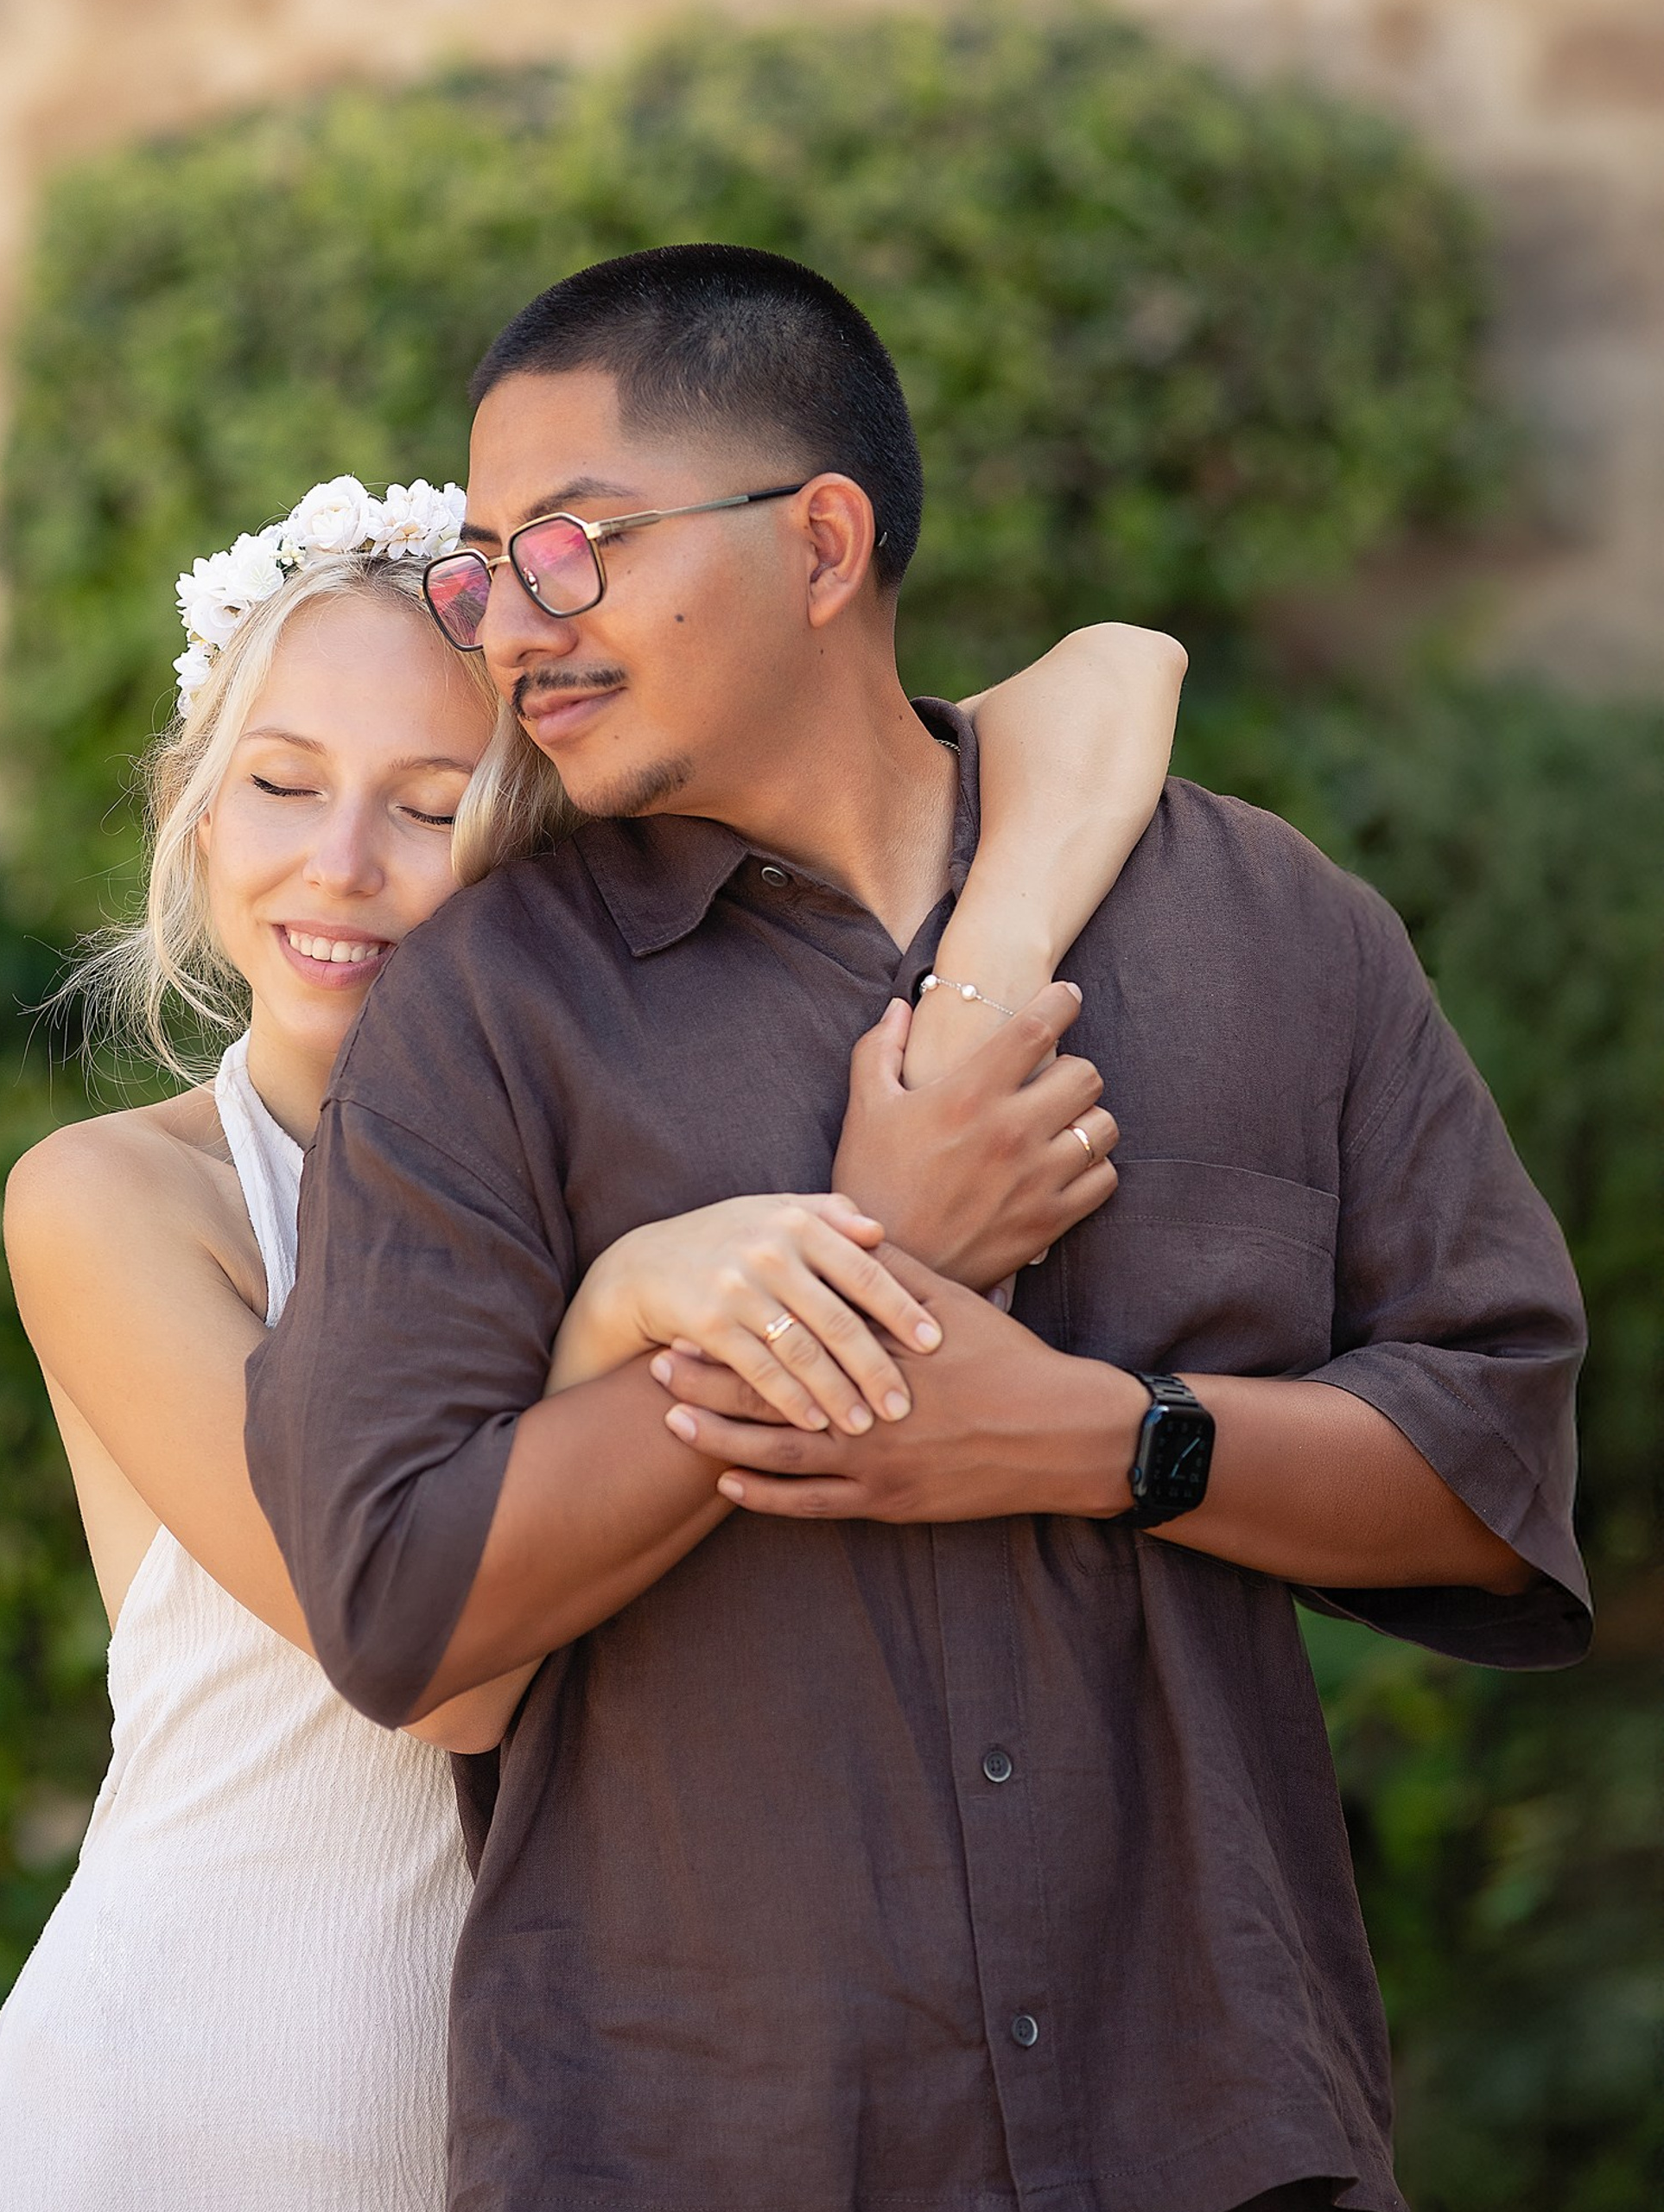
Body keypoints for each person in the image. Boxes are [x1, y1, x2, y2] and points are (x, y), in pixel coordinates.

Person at [245, 246, 1591, 2212]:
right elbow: (397, 1600)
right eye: (483, 570)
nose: (511, 627)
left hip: (1215, 2126)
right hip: (700, 2138)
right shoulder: (486, 1008)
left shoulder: (1269, 927)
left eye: (575, 547)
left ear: (820, 539)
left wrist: (1090, 1435)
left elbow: (1495, 1463)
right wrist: (870, 1266)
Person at [0, 475, 1184, 2209]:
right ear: (194, 816)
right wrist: (642, 1302)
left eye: (430, 804)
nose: (339, 866)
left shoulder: (611, 1142)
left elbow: (1111, 677)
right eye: (281, 787)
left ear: (540, 841)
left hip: (586, 2099)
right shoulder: (118, 1202)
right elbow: (437, 1664)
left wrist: (967, 995)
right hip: (216, 2083)